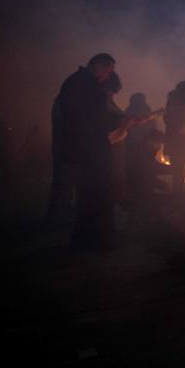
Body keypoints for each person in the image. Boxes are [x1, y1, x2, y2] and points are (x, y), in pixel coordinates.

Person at [56, 53, 117, 250]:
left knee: (94, 194)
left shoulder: (89, 84)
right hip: (86, 149)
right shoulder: (79, 84)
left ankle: (93, 237)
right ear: (98, 65)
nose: (110, 74)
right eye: (109, 69)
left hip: (92, 147)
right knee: (91, 194)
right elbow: (79, 118)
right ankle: (90, 239)